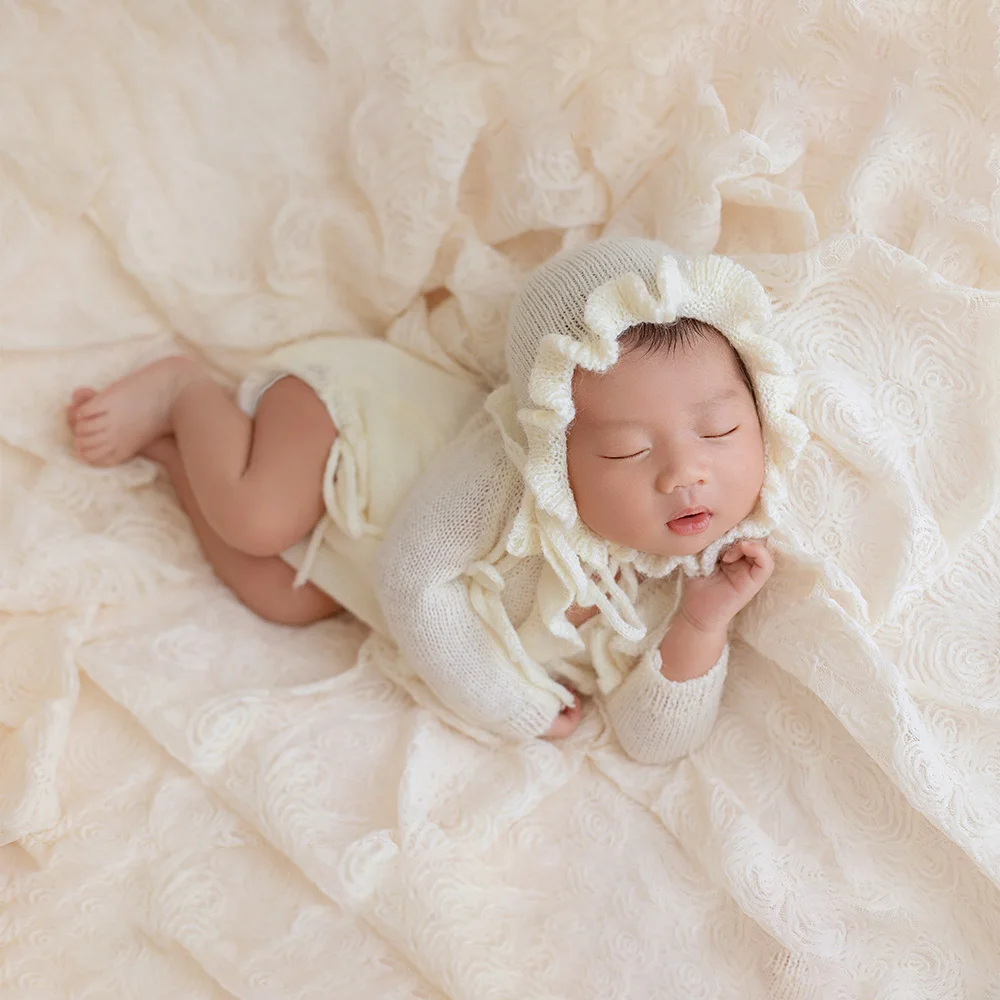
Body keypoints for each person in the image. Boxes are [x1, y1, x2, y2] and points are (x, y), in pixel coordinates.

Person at [65, 238, 806, 763]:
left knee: (278, 597)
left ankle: (177, 455)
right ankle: (187, 392)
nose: (685, 474)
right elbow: (412, 580)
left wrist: (704, 624)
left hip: (358, 534)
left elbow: (655, 742)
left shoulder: (692, 573)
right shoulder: (502, 470)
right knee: (258, 517)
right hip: (352, 431)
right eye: (627, 451)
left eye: (720, 430)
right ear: (553, 444)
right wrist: (508, 703)